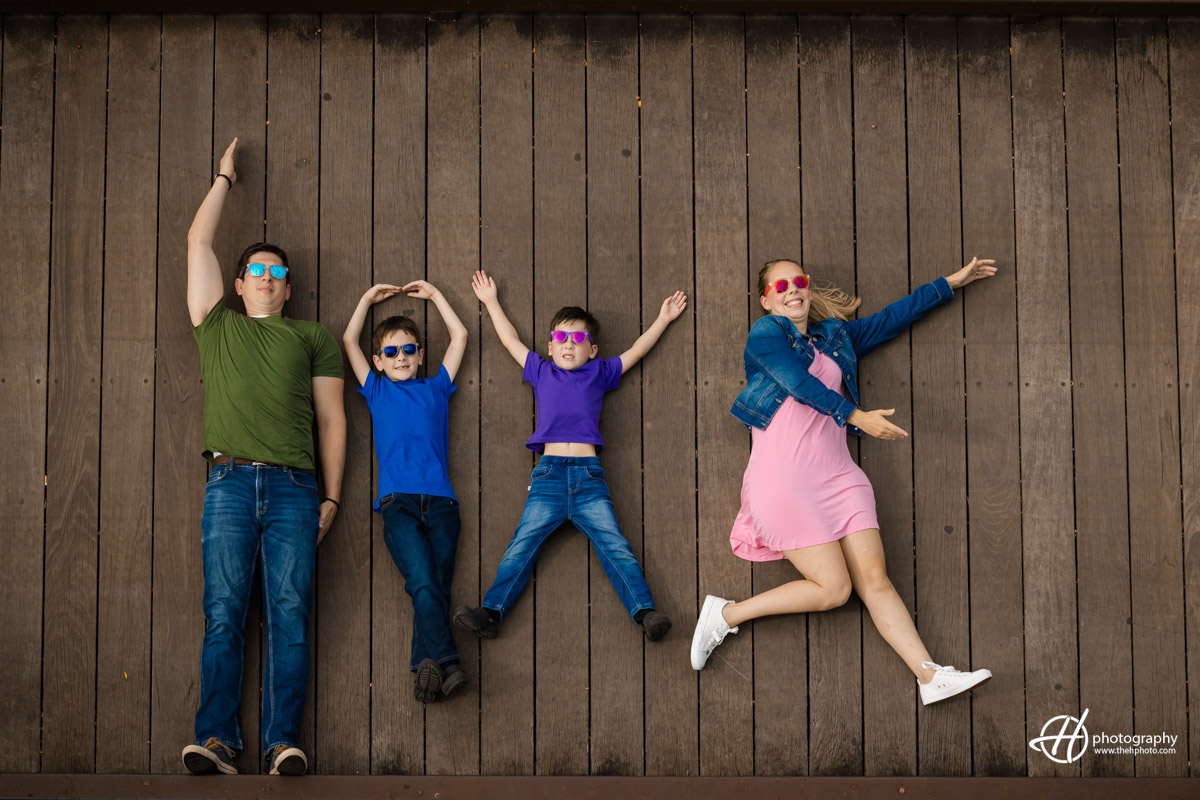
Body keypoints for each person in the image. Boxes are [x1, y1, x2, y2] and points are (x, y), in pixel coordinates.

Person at [691, 257, 996, 707]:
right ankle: (727, 613)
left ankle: (930, 676)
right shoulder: (766, 335)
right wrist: (854, 415)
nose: (792, 290)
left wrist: (950, 283)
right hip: (785, 477)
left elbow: (894, 318)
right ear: (766, 299)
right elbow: (795, 383)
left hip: (839, 476)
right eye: (781, 286)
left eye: (799, 281)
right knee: (834, 590)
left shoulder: (835, 338)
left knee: (876, 579)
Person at [181, 138, 346, 776]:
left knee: (290, 616)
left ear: (287, 288)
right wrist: (223, 177)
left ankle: (283, 744)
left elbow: (333, 420)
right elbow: (198, 243)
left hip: (295, 493)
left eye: (279, 273)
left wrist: (330, 495)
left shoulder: (311, 338)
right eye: (259, 271)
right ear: (240, 282)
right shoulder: (217, 325)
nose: (269, 279)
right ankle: (217, 740)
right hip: (226, 483)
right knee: (223, 613)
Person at [452, 270, 685, 643]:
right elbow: (510, 340)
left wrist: (663, 319)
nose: (568, 344)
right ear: (549, 346)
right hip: (548, 476)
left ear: (592, 349)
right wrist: (491, 301)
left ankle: (645, 611)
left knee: (615, 545)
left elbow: (636, 350)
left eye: (578, 339)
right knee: (522, 544)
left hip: (589, 477)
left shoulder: (600, 372)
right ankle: (491, 612)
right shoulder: (541, 371)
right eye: (560, 337)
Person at [342, 281, 468, 703]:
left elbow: (461, 336)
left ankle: (425, 668)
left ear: (420, 355)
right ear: (378, 361)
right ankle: (448, 662)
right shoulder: (377, 390)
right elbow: (348, 340)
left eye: (409, 350)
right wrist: (365, 299)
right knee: (424, 583)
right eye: (391, 352)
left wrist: (436, 297)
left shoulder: (436, 388)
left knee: (433, 586)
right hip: (399, 505)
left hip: (443, 504)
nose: (401, 358)